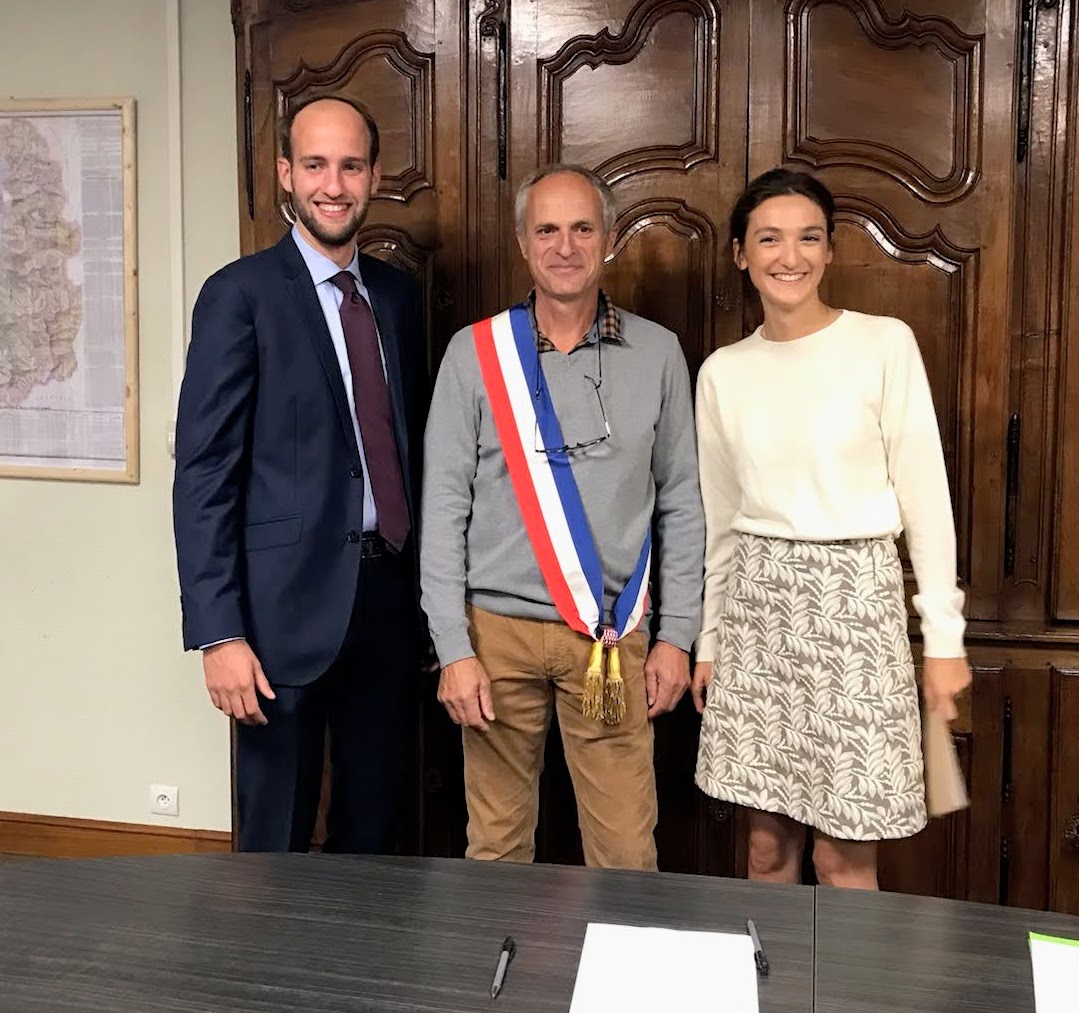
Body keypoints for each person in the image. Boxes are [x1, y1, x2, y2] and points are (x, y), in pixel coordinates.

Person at [691, 168, 972, 890]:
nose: (790, 256)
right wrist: (710, 640)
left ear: (830, 248)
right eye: (769, 239)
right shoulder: (723, 372)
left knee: (842, 857)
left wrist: (943, 641)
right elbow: (721, 524)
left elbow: (926, 502)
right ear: (739, 254)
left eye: (808, 237)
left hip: (855, 602)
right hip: (758, 609)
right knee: (764, 850)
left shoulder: (882, 345)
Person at [420, 164, 704, 870]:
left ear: (609, 240)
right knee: (494, 846)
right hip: (495, 636)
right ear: (523, 242)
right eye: (547, 228)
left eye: (582, 228)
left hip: (609, 637)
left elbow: (682, 501)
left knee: (625, 851)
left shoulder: (658, 351)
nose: (565, 245)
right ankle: (498, 981)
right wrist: (452, 648)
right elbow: (443, 505)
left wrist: (677, 638)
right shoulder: (474, 353)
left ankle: (623, 982)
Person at [172, 95, 427, 853]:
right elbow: (204, 473)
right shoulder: (238, 295)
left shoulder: (396, 296)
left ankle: (358, 973)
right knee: (274, 841)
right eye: (314, 164)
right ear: (285, 173)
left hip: (387, 604)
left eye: (350, 165)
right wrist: (219, 632)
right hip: (278, 616)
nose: (333, 184)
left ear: (375, 175)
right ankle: (263, 977)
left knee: (375, 832)